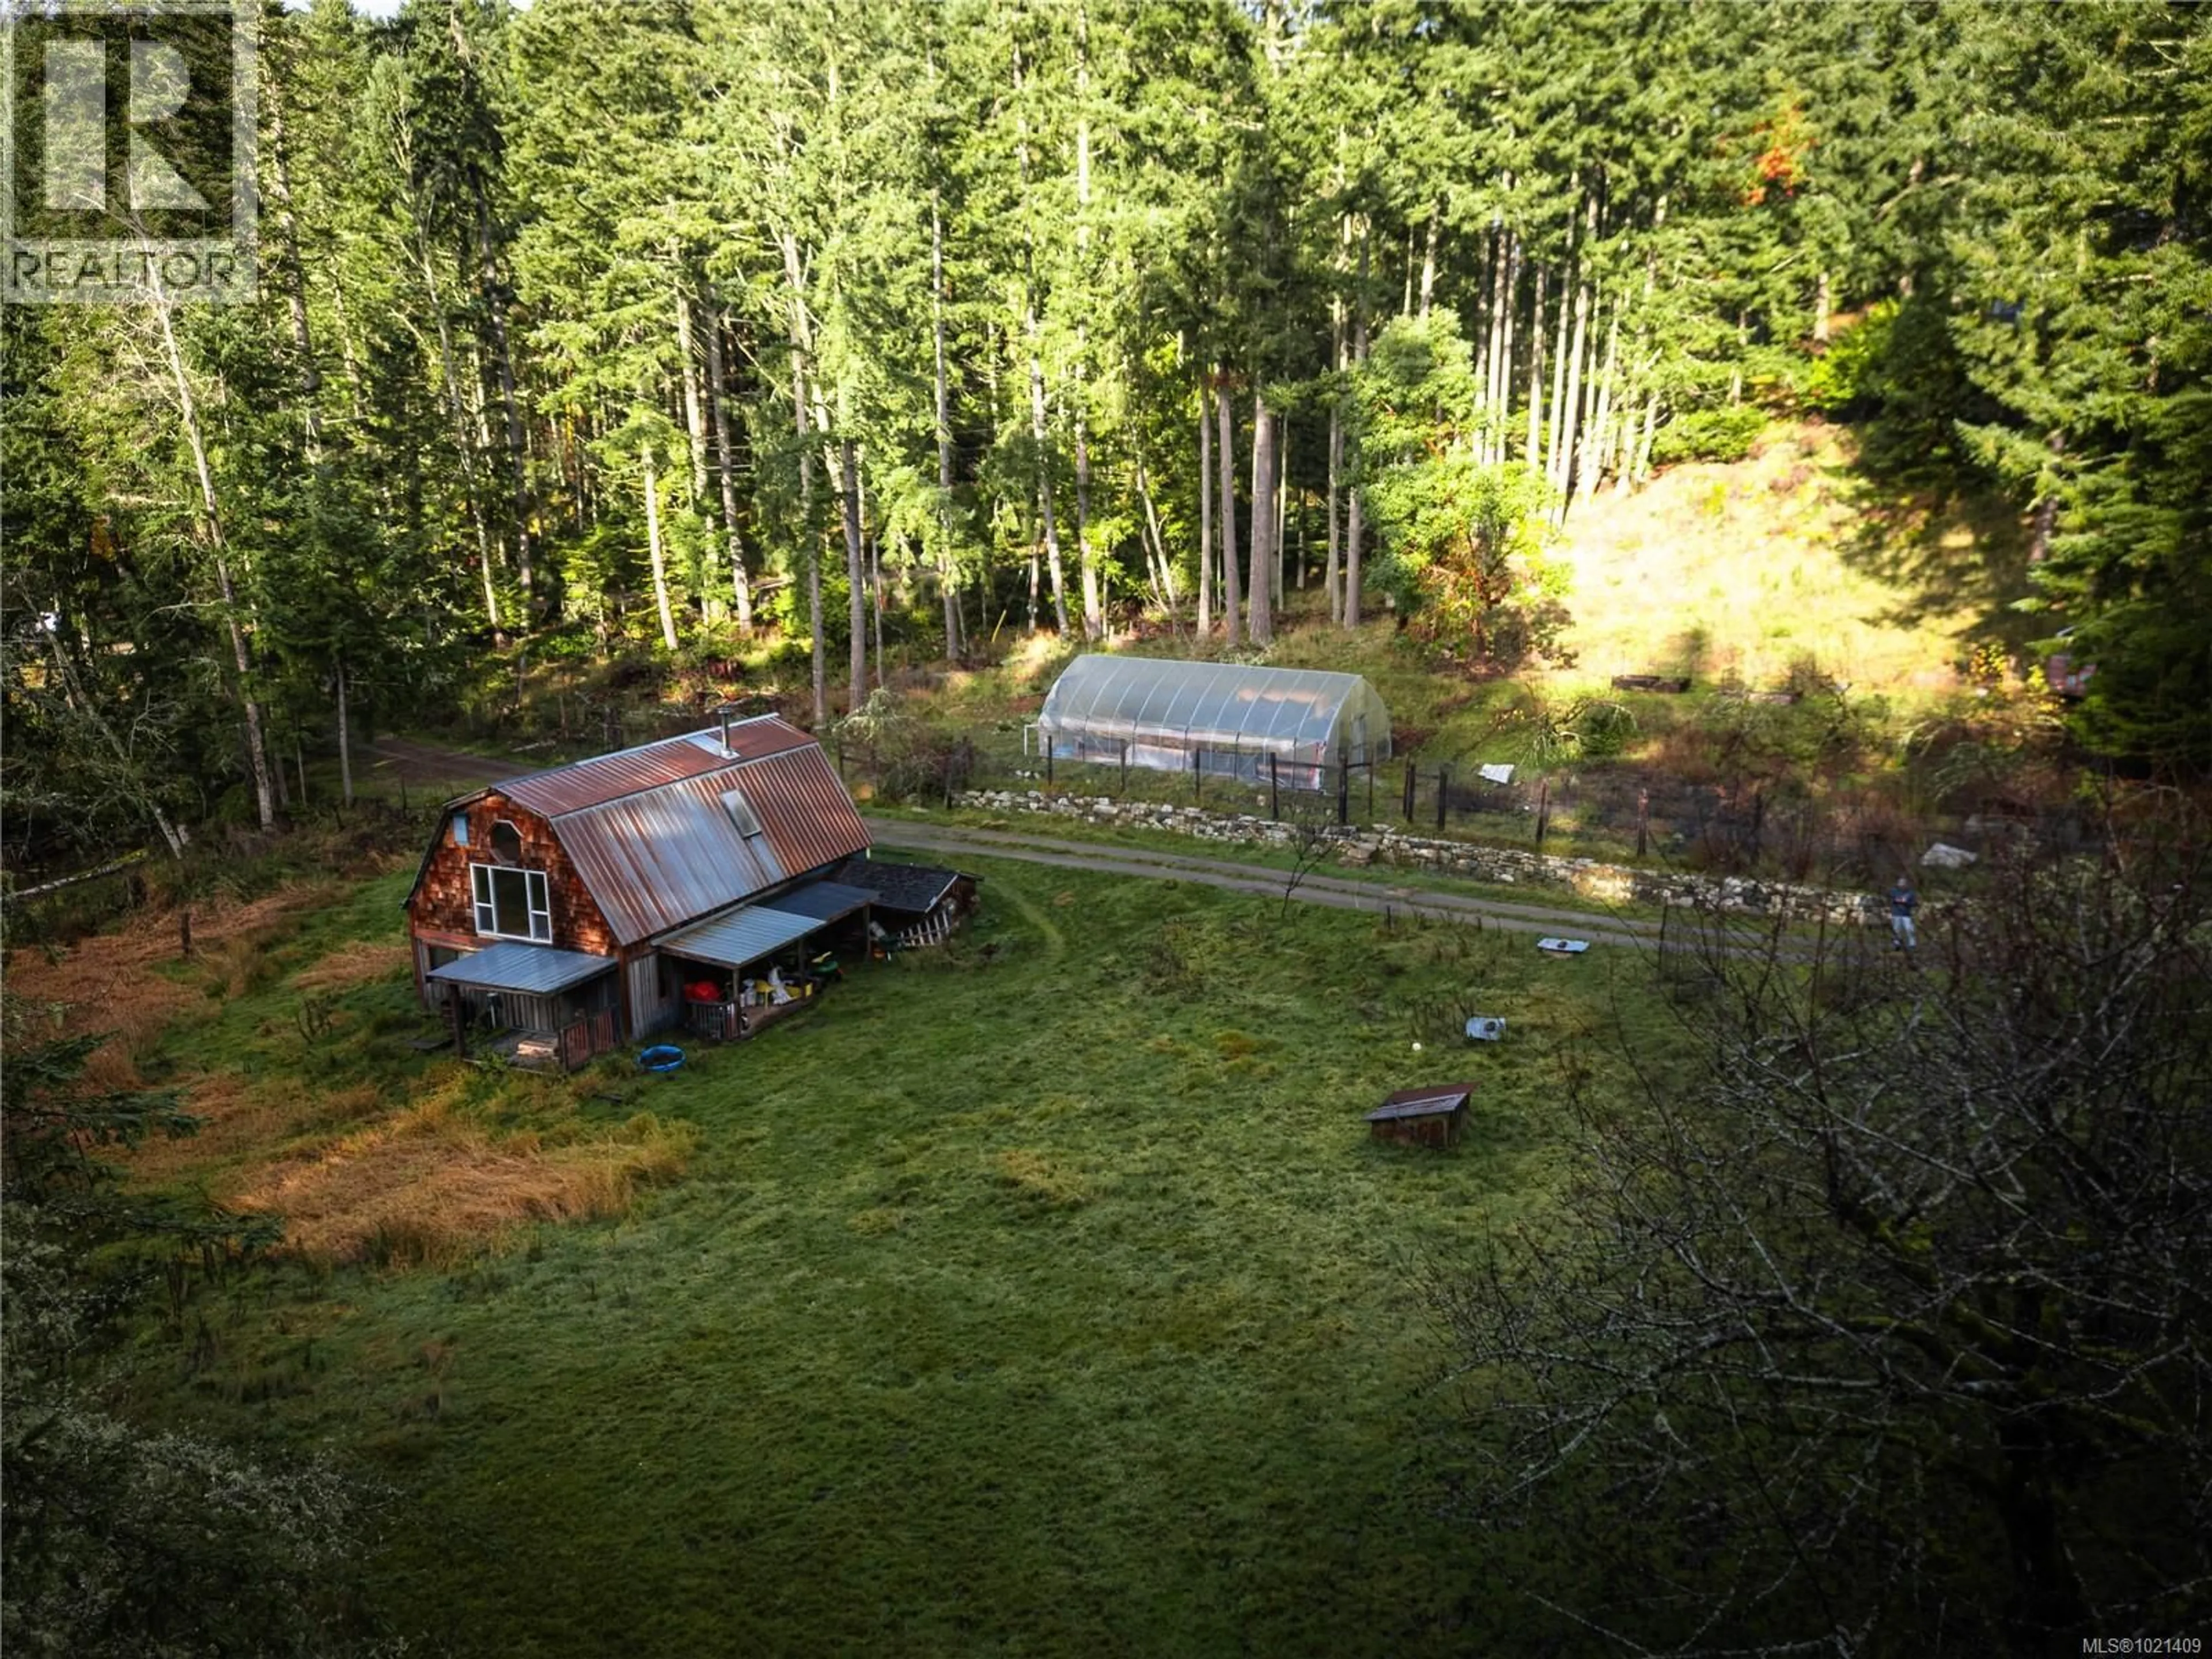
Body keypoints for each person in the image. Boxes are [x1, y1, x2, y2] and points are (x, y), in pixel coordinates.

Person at [1888, 874, 1919, 952]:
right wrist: (1898, 901)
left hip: (1906, 914)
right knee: (1897, 930)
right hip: (1896, 914)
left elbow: (1914, 903)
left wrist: (1906, 903)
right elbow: (1892, 900)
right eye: (1900, 883)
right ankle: (1896, 944)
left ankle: (1912, 945)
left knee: (1909, 929)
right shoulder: (1894, 891)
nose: (1902, 885)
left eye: (1904, 884)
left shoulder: (1910, 893)